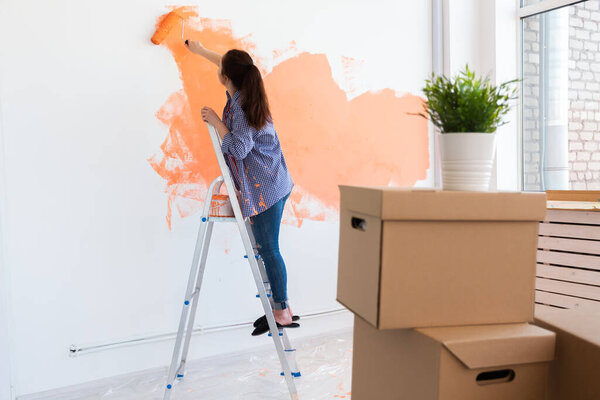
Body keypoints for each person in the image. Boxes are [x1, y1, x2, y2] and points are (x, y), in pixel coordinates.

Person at [185, 40, 299, 335]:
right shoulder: (244, 90)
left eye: (221, 69)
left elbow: (237, 148)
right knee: (266, 247)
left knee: (269, 248)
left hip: (267, 188)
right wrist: (199, 50)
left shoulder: (242, 108)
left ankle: (282, 311)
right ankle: (280, 307)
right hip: (270, 182)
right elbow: (229, 64)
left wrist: (215, 122)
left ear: (226, 78)